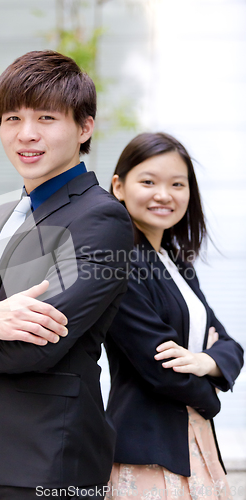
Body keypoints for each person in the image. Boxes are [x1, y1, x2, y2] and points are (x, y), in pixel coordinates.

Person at [0, 50, 134, 500]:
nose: (26, 134)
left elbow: (34, 346)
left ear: (85, 126)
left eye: (47, 118)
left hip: (51, 464)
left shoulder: (102, 218)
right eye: (12, 118)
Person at [105, 132, 244, 500]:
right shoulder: (118, 263)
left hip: (195, 440)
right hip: (148, 450)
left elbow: (231, 346)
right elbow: (160, 366)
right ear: (119, 186)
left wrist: (203, 361)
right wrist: (212, 397)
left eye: (177, 184)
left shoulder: (178, 264)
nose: (164, 194)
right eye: (148, 182)